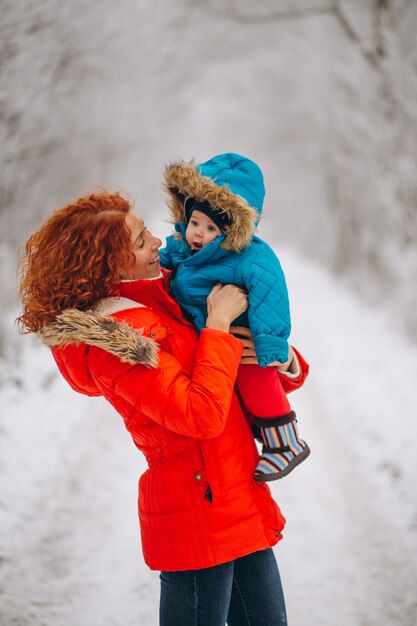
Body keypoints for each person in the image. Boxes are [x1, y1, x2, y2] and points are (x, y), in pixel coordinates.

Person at [18, 190, 309, 626]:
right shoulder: (115, 344)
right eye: (140, 241)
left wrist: (282, 358)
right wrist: (216, 328)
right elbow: (199, 415)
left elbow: (242, 369)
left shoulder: (158, 298)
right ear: (108, 266)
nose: (156, 241)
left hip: (235, 495)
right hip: (196, 509)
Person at [160, 152, 310, 481]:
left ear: (233, 229)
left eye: (211, 228)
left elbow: (272, 293)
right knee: (241, 391)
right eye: (195, 223)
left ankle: (285, 443)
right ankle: (263, 431)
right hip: (212, 346)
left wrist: (272, 345)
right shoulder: (185, 250)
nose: (198, 233)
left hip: (244, 336)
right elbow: (162, 260)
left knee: (256, 377)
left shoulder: (252, 256)